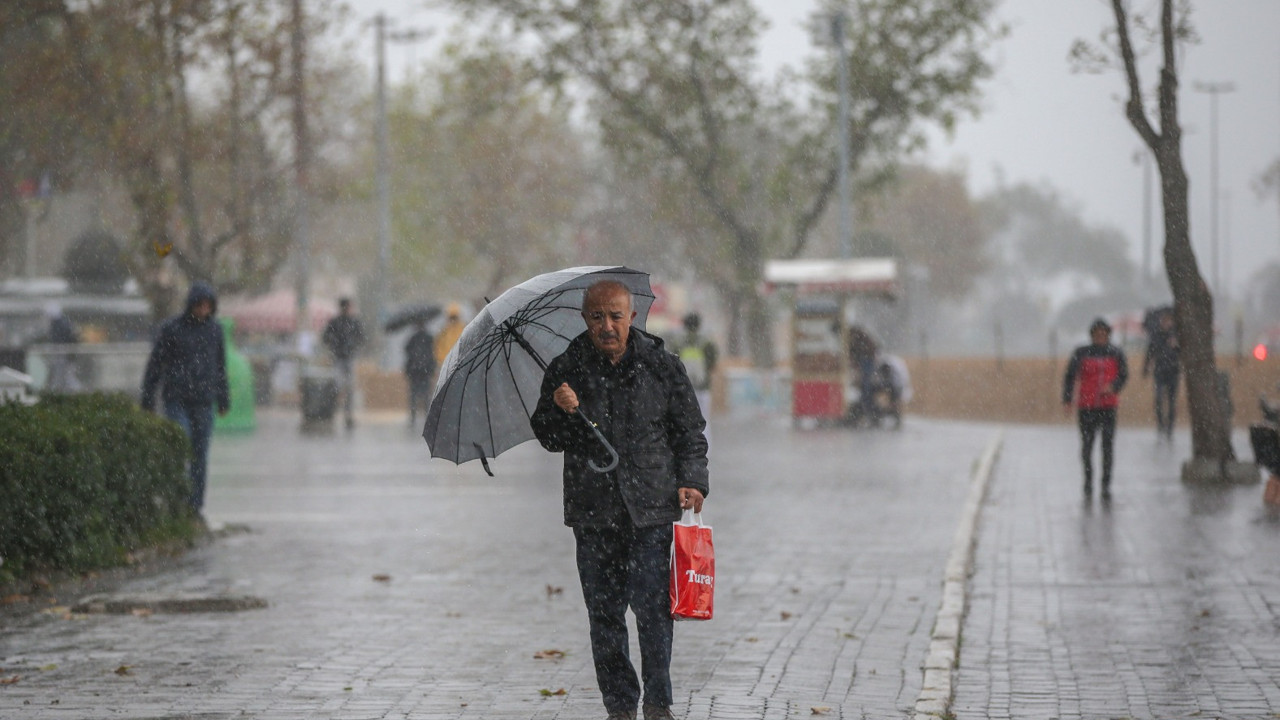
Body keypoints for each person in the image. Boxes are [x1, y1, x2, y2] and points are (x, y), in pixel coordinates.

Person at [530, 280, 709, 720]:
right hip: (593, 514)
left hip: (651, 508)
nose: (606, 326)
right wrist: (557, 407)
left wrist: (694, 481)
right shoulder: (566, 368)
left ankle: (658, 702)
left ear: (632, 317)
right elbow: (549, 437)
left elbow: (689, 433)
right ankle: (620, 705)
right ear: (585, 319)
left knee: (653, 612)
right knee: (605, 615)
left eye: (615, 316)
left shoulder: (662, 366)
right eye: (597, 317)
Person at [140, 283, 230, 513]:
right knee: (181, 444)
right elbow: (155, 365)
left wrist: (223, 398)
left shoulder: (215, 331)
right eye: (200, 305)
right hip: (177, 398)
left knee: (200, 454)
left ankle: (195, 505)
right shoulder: (171, 329)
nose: (203, 310)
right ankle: (177, 499)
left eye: (207, 306)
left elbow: (220, 366)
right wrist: (148, 398)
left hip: (203, 400)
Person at [1062, 317, 1129, 499]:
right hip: (1087, 407)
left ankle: (1106, 484)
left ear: (1108, 334)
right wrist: (1068, 400)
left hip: (1108, 407)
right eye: (1097, 334)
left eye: (1103, 333)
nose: (1100, 337)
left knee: (1107, 447)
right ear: (1091, 335)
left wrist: (1113, 387)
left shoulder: (1115, 353)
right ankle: (1088, 481)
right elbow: (1070, 376)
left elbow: (1124, 375)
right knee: (1087, 447)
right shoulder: (1082, 352)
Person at [672, 312, 718, 439]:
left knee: (684, 420)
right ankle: (705, 451)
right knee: (704, 419)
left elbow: (673, 364)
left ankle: (689, 450)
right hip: (703, 387)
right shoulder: (706, 342)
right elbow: (712, 362)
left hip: (684, 388)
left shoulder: (679, 343)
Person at [322, 297, 365, 430]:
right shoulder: (335, 322)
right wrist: (334, 343)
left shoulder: (353, 322)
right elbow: (325, 337)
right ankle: (333, 412)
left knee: (349, 388)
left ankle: (348, 415)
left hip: (349, 358)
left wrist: (352, 344)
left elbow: (361, 337)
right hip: (339, 358)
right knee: (337, 386)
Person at [1143, 308, 1180, 441]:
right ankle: (1160, 424)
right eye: (1164, 320)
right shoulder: (1156, 336)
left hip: (1173, 371)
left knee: (1171, 400)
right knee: (1158, 398)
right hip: (1159, 371)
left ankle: (1170, 426)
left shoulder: (1176, 336)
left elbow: (1182, 353)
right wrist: (1146, 368)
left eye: (1169, 320)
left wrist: (1176, 346)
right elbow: (1150, 352)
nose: (1166, 323)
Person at [403, 318, 437, 428]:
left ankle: (413, 416)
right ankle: (427, 415)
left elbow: (406, 351)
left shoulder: (412, 338)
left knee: (413, 393)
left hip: (414, 370)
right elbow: (433, 353)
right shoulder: (430, 338)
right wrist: (432, 367)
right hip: (425, 370)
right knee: (426, 393)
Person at [43, 302, 81, 391]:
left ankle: (61, 393)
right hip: (66, 354)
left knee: (65, 376)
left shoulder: (59, 324)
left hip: (63, 354)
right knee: (66, 376)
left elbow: (60, 339)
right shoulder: (64, 322)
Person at [434, 302, 465, 370]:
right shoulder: (444, 331)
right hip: (447, 363)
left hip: (459, 362)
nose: (453, 320)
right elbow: (439, 347)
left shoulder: (463, 328)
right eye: (452, 317)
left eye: (454, 317)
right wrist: (442, 360)